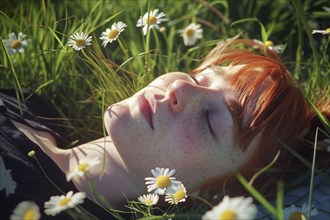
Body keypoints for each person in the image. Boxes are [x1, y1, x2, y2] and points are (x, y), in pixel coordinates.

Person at [1, 37, 329, 219]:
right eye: (201, 77)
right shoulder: (29, 104)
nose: (180, 89)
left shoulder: (24, 205)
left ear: (212, 193)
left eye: (210, 121)